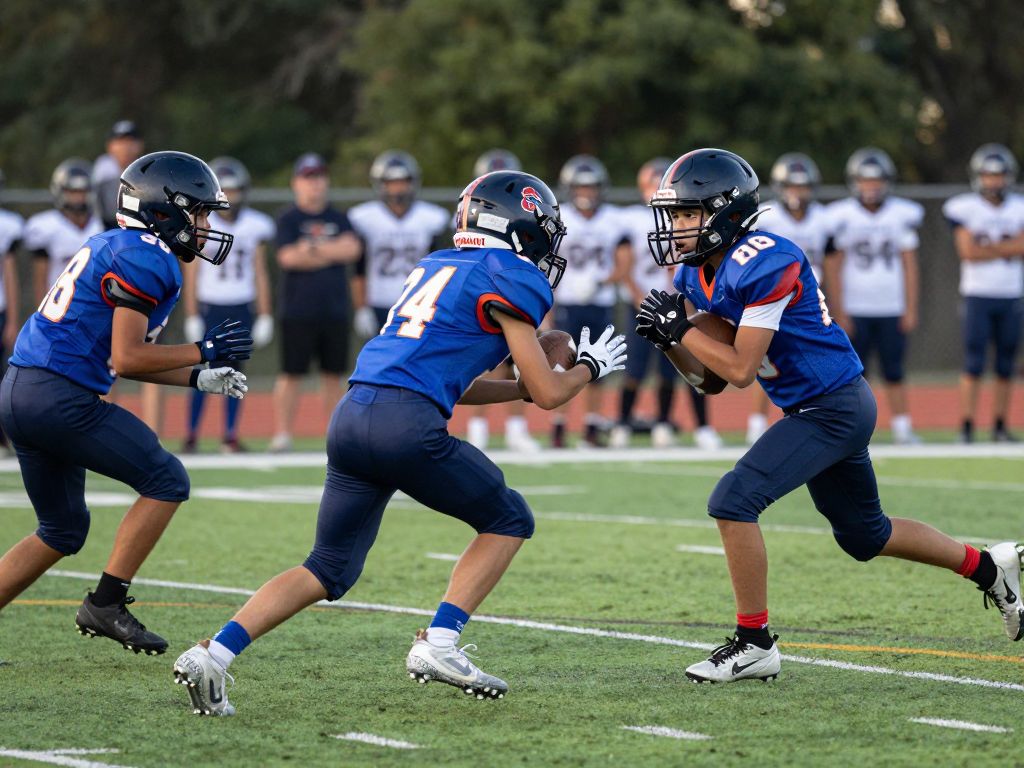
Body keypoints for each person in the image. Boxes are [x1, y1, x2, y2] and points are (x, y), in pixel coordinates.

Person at [172, 170, 627, 715]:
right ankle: (440, 643)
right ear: (520, 226)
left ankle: (214, 655)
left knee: (326, 567)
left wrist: (520, 391)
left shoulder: (435, 264)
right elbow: (553, 394)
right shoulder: (512, 275)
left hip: (354, 415)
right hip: (405, 426)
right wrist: (590, 369)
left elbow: (456, 382)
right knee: (509, 519)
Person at [634, 147, 1023, 684]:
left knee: (732, 501)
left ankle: (755, 643)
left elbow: (744, 369)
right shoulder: (699, 275)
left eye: (685, 214)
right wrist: (672, 344)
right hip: (818, 405)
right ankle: (988, 566)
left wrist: (683, 331)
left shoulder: (764, 259)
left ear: (723, 212)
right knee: (866, 536)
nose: (675, 228)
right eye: (673, 215)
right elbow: (712, 380)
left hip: (833, 406)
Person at [0, 151, 251, 656]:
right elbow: (130, 357)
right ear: (166, 210)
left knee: (63, 528)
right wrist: (202, 350)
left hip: (19, 390)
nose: (204, 226)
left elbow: (126, 359)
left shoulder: (115, 244)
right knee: (167, 480)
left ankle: (103, 602)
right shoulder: (148, 256)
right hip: (59, 398)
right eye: (199, 213)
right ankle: (106, 602)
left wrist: (200, 377)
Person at [612, 157, 720, 450]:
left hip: (674, 301)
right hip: (644, 303)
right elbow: (623, 266)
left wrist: (685, 303)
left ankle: (664, 422)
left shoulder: (685, 217)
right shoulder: (631, 220)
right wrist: (639, 300)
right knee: (634, 369)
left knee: (672, 370)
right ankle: (622, 423)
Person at [824, 148, 924, 445]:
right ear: (855, 182)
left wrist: (910, 307)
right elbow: (834, 266)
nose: (871, 187)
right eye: (866, 181)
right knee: (853, 375)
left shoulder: (901, 214)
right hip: (856, 306)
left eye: (876, 181)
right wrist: (839, 309)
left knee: (895, 369)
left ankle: (902, 428)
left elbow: (910, 266)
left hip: (890, 305)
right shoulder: (840, 216)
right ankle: (854, 429)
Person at [270, 153, 362, 453]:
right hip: (297, 310)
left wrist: (311, 248)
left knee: (333, 374)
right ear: (297, 183)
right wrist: (329, 251)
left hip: (334, 309)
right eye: (308, 178)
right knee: (291, 374)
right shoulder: (288, 218)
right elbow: (288, 258)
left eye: (319, 177)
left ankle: (335, 434)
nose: (315, 184)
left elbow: (352, 251)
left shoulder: (340, 217)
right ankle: (283, 433)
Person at [182, 157, 275, 453]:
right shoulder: (203, 223)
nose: (231, 197)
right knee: (203, 370)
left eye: (235, 190)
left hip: (241, 305)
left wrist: (265, 314)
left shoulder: (255, 224)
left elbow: (260, 272)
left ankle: (230, 435)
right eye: (226, 191)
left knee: (236, 373)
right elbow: (192, 270)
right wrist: (192, 313)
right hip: (212, 305)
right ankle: (192, 434)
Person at [458, 149, 544, 452]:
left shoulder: (523, 223)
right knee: (486, 363)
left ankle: (516, 429)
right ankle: (478, 427)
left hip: (510, 292)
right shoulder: (472, 222)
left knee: (518, 363)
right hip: (486, 295)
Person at [745, 152, 832, 444]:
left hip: (809, 301)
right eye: (793, 186)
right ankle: (756, 422)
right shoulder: (766, 217)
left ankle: (810, 414)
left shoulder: (824, 218)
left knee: (810, 357)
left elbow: (832, 262)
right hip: (773, 300)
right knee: (767, 360)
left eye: (803, 186)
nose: (798, 192)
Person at [943, 144, 1024, 443]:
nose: (994, 181)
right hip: (978, 294)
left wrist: (986, 248)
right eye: (989, 175)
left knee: (1005, 364)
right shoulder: (963, 207)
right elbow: (968, 252)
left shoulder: (1018, 206)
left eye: (999, 175)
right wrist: (1009, 247)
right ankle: (966, 426)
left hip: (1011, 294)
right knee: (973, 363)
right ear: (979, 177)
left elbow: (987, 249)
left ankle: (1000, 426)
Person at [551, 154, 630, 447]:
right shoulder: (560, 218)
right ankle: (558, 427)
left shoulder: (613, 219)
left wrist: (600, 281)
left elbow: (624, 264)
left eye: (591, 187)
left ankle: (592, 428)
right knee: (563, 366)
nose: (587, 193)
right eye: (581, 188)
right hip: (568, 302)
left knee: (597, 367)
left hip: (600, 301)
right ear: (570, 189)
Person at [349, 150, 450, 334]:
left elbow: (440, 268)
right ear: (380, 184)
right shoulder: (364, 218)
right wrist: (361, 307)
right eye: (392, 183)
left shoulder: (431, 218)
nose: (398, 188)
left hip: (418, 302)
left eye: (403, 182)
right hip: (378, 301)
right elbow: (358, 267)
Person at [26, 159, 104, 305]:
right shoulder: (46, 227)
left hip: (95, 304)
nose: (78, 197)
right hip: (58, 305)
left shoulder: (101, 226)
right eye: (72, 192)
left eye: (82, 191)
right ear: (60, 191)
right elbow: (40, 278)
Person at [0, 167, 23, 455]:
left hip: (1, 309)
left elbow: (10, 274)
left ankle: (5, 437)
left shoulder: (6, 224)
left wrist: (14, 319)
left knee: (5, 376)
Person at [93, 120, 146, 230]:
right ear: (110, 146)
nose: (125, 147)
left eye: (130, 141)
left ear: (140, 145)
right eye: (120, 142)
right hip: (108, 227)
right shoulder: (103, 169)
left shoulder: (146, 168)